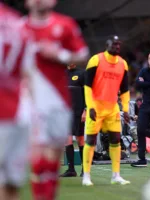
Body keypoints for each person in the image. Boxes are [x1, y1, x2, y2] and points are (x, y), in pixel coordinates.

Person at [24, 0, 89, 199]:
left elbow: (83, 54)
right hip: (31, 102)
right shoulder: (19, 28)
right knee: (37, 155)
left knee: (52, 157)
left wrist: (59, 54)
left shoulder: (65, 24)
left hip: (59, 103)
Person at [82, 35, 130, 186]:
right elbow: (87, 86)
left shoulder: (123, 64)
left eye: (118, 44)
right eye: (114, 44)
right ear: (107, 44)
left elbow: (125, 90)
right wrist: (90, 106)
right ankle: (86, 176)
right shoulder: (95, 60)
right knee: (90, 141)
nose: (116, 46)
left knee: (115, 139)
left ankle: (116, 175)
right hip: (96, 107)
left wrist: (126, 109)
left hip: (112, 108)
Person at [0, 3, 34, 200]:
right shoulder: (18, 23)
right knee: (10, 186)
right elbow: (28, 74)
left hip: (10, 112)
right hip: (18, 113)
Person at [60, 64, 86, 177]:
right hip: (66, 112)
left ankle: (85, 169)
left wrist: (85, 109)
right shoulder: (62, 73)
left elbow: (87, 93)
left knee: (80, 138)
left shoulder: (82, 73)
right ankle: (71, 169)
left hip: (79, 112)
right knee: (68, 139)